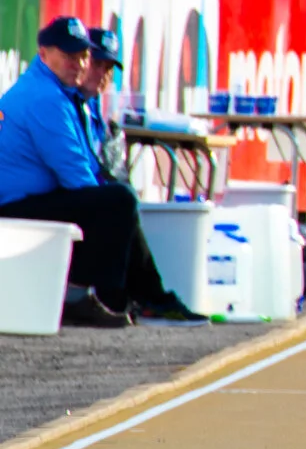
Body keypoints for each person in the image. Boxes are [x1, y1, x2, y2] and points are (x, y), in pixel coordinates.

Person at [0, 17, 190, 328]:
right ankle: (103, 297)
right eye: (69, 56)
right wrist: (114, 212)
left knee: (116, 200)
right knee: (116, 202)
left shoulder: (58, 93)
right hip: (13, 210)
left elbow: (85, 171)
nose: (79, 64)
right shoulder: (44, 97)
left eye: (83, 57)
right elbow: (79, 179)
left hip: (28, 201)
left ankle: (149, 297)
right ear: (44, 54)